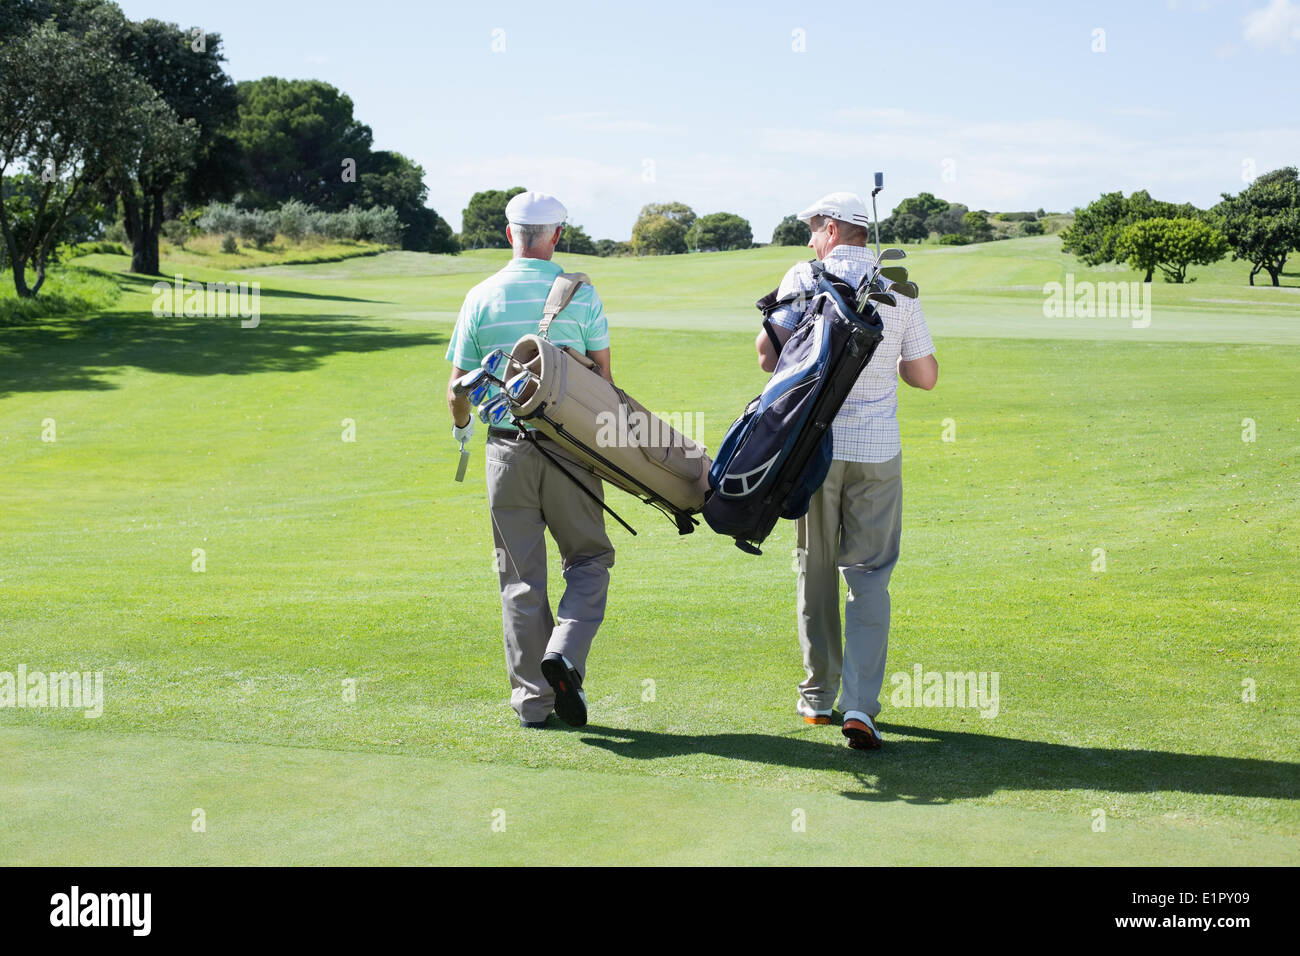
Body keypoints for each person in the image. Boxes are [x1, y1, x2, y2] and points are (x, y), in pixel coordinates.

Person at [754, 191, 938, 751]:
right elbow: (925, 376)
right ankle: (860, 705)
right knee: (870, 576)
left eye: (813, 228)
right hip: (877, 451)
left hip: (810, 451)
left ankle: (817, 699)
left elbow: (767, 356)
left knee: (815, 571)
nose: (810, 239)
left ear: (833, 230)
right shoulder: (898, 287)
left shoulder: (802, 276)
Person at [445, 190, 614, 729]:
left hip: (505, 451)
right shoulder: (581, 295)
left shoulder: (479, 296)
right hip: (571, 451)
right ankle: (564, 652)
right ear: (557, 236)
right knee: (589, 560)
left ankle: (534, 705)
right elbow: (604, 387)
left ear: (510, 232)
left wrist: (463, 430)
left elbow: (457, 392)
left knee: (519, 577)